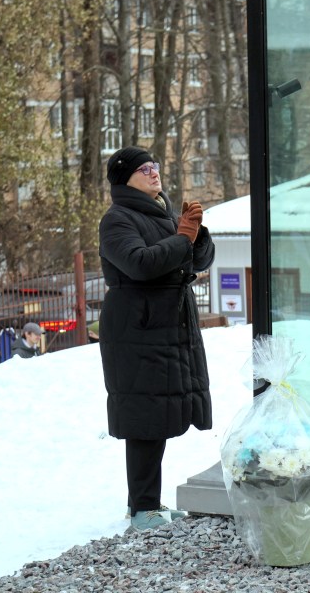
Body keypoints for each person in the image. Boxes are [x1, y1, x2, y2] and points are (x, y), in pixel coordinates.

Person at [97, 146, 215, 531]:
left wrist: (196, 236)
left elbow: (195, 262)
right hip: (137, 329)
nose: (153, 172)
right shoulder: (116, 220)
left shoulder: (159, 214)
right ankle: (142, 508)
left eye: (155, 166)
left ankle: (146, 504)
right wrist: (182, 237)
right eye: (143, 168)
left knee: (160, 414)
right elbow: (141, 264)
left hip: (168, 325)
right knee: (144, 418)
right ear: (124, 178)